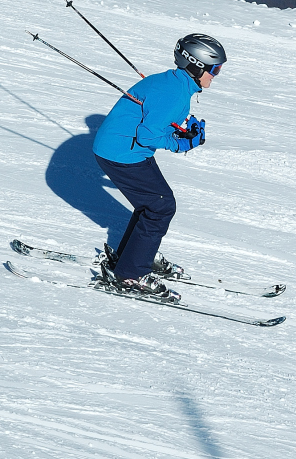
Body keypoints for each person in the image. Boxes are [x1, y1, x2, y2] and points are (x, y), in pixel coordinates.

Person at [92, 33, 226, 298]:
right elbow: (148, 135)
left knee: (153, 204)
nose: (216, 75)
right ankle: (129, 275)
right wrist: (181, 144)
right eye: (215, 69)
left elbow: (156, 118)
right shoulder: (175, 93)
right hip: (121, 152)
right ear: (196, 66)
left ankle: (135, 256)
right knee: (160, 206)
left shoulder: (173, 84)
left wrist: (181, 130)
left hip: (122, 149)